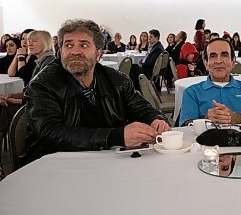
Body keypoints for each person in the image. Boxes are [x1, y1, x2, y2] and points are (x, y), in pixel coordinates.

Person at [23, 19, 170, 165]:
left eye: (84, 45)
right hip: (55, 165)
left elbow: (141, 107)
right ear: (60, 51)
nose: (75, 51)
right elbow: (51, 133)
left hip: (106, 162)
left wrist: (156, 119)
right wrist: (115, 136)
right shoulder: (42, 85)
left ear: (98, 53)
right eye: (68, 45)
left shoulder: (117, 80)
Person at [179, 38, 241, 126]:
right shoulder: (192, 93)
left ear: (233, 62)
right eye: (213, 56)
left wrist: (236, 118)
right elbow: (186, 126)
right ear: (206, 63)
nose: (218, 61)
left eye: (224, 55)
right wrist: (206, 120)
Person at [0, 30, 55, 106]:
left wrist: (13, 100)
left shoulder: (49, 62)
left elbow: (40, 96)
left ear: (46, 43)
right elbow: (30, 90)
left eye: (34, 41)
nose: (29, 44)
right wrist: (12, 95)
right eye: (29, 41)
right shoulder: (39, 61)